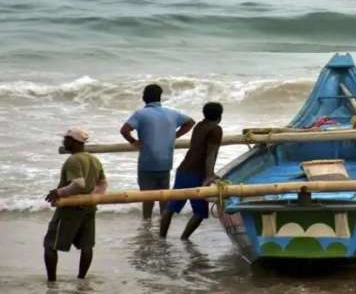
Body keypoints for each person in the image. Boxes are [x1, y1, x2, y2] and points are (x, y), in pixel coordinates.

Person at [120, 84, 195, 219]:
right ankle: (163, 227)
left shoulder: (140, 114)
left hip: (147, 162)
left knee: (147, 198)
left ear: (144, 97)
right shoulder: (172, 113)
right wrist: (175, 135)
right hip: (165, 162)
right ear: (160, 97)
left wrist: (133, 142)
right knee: (164, 197)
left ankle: (147, 225)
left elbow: (124, 130)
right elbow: (190, 122)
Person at [44, 128, 108, 282]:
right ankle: (81, 279)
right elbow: (103, 184)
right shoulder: (94, 159)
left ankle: (51, 281)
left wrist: (58, 192)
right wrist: (91, 197)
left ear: (73, 141)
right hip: (89, 207)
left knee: (50, 245)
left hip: (69, 209)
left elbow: (78, 184)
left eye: (65, 139)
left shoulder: (73, 160)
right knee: (86, 245)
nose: (63, 141)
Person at [160, 102, 223, 240]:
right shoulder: (216, 129)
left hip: (183, 170)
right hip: (197, 173)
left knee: (171, 208)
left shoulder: (199, 126)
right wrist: (209, 175)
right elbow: (210, 154)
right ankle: (184, 238)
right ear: (219, 116)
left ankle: (161, 238)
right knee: (200, 212)